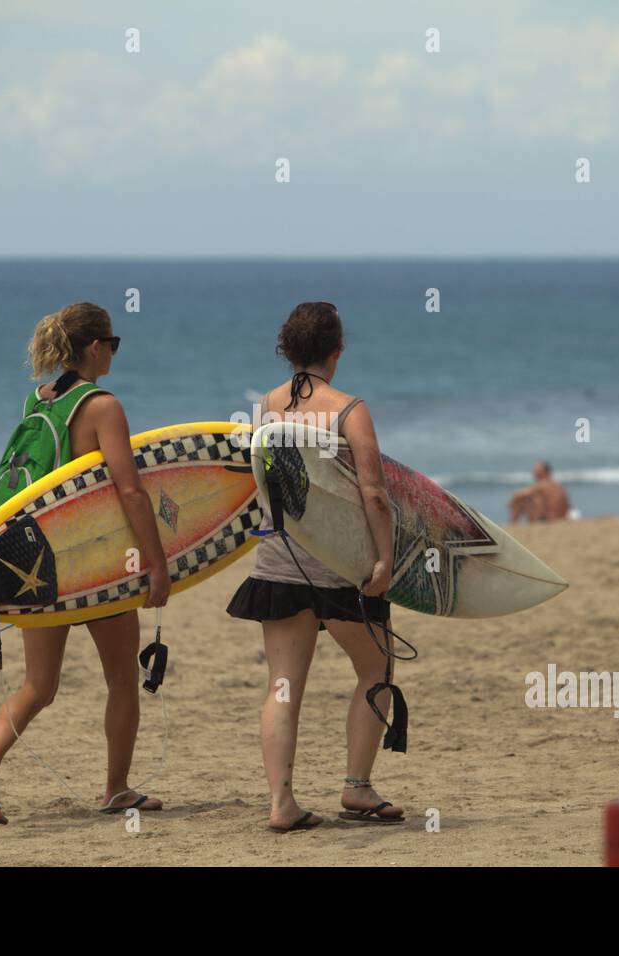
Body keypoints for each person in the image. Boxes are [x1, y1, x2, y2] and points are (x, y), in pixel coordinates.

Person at [0, 302, 171, 827]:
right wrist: (157, 563)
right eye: (112, 344)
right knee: (121, 680)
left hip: (38, 564)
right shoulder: (102, 406)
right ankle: (117, 789)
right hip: (95, 566)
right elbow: (131, 493)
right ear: (95, 347)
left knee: (39, 685)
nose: (114, 353)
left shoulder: (39, 399)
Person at [227, 301, 404, 832]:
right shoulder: (350, 410)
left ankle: (281, 803)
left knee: (283, 684)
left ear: (288, 350)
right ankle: (357, 788)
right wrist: (385, 558)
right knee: (376, 670)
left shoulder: (266, 410)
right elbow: (374, 493)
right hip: (341, 568)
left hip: (278, 563)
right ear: (337, 350)